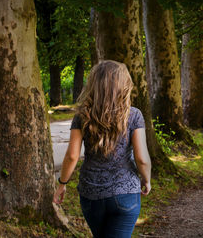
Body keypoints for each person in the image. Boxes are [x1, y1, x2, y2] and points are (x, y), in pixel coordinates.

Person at [53, 60, 152, 238]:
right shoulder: (134, 115)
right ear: (124, 85)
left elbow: (72, 156)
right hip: (125, 192)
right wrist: (146, 179)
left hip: (91, 193)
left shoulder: (82, 116)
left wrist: (62, 184)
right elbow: (142, 158)